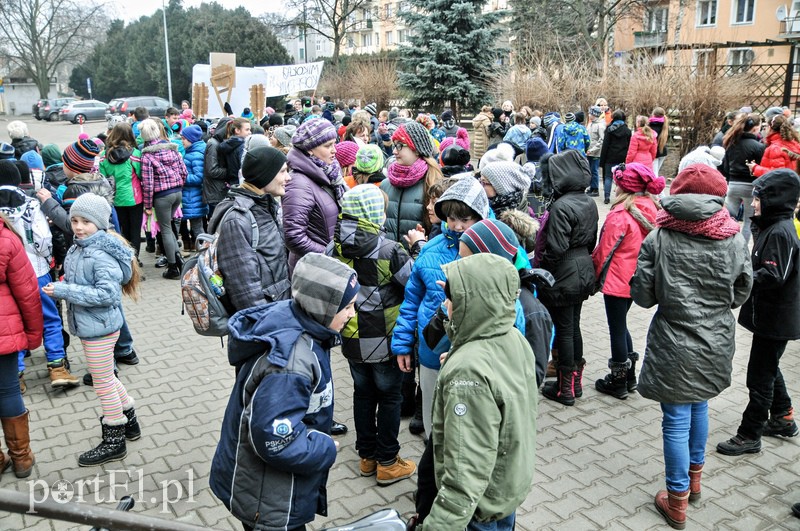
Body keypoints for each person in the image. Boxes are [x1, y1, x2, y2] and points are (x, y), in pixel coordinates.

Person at [630, 165, 752, 530]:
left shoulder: (660, 237)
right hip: (714, 337)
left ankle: (677, 500)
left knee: (676, 419)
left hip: (673, 339)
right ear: (719, 195)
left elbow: (642, 295)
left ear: (676, 193)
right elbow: (742, 291)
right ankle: (693, 484)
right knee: (700, 404)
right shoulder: (732, 237)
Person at [210, 253, 358, 531]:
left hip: (267, 488)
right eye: (347, 306)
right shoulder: (291, 366)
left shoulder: (303, 325)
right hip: (268, 495)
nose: (352, 314)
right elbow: (274, 440)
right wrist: (324, 447)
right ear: (323, 308)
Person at [418, 253, 537, 531]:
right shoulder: (512, 337)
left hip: (476, 510)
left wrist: (437, 526)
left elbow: (465, 469)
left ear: (472, 302)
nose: (444, 303)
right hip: (503, 489)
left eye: (451, 296)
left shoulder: (468, 371)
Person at [42, 193, 143, 466]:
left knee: (102, 383)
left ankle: (114, 439)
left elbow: (106, 295)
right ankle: (130, 422)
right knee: (107, 378)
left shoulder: (99, 253)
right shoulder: (81, 246)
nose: (78, 226)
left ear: (99, 222)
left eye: (85, 221)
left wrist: (65, 290)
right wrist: (66, 280)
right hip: (94, 326)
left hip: (99, 328)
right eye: (74, 220)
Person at [327, 184, 417, 486]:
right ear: (373, 213)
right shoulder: (389, 249)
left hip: (351, 338)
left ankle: (366, 457)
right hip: (385, 339)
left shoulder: (333, 246)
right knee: (389, 397)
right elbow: (412, 282)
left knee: (362, 394)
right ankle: (388, 461)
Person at [392, 177, 489, 436]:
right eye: (451, 218)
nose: (457, 226)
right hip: (433, 349)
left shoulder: (491, 249)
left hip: (475, 356)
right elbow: (412, 299)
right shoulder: (431, 249)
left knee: (467, 427)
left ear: (480, 215)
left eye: (465, 219)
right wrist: (402, 343)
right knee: (434, 423)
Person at [717, 169, 800, 456]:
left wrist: (741, 275)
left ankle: (749, 434)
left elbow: (775, 275)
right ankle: (783, 416)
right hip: (771, 317)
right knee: (769, 365)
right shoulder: (773, 226)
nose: (753, 204)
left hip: (778, 318)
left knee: (759, 377)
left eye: (758, 198)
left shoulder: (781, 232)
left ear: (775, 199)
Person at [0, 160, 79, 390]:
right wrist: (45, 256)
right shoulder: (31, 204)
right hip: (36, 271)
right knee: (50, 317)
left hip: (6, 279)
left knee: (12, 323)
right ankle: (57, 367)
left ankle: (16, 375)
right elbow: (43, 239)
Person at [592, 163, 665, 399]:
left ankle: (618, 380)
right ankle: (630, 376)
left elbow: (605, 250)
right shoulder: (654, 209)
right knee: (621, 324)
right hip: (637, 279)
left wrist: (594, 276)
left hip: (617, 280)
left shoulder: (620, 214)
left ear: (623, 186)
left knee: (616, 329)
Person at [538, 149, 599, 406]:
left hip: (564, 271)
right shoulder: (589, 202)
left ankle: (565, 390)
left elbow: (555, 247)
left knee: (564, 328)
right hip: (584, 268)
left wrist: (543, 270)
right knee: (573, 326)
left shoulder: (561, 206)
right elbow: (592, 239)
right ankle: (575, 383)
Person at [207, 146, 292, 313]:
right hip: (265, 320)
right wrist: (267, 324)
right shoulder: (238, 219)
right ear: (265, 174)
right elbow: (244, 288)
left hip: (278, 309)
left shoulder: (264, 206)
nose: (288, 177)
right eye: (282, 172)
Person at [0, 212, 42, 479]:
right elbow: (27, 292)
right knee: (7, 391)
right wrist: (33, 334)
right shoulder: (6, 239)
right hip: (4, 332)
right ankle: (22, 459)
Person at [283, 118, 345, 275]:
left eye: (334, 144)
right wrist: (328, 254)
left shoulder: (329, 174)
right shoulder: (299, 183)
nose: (334, 150)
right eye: (327, 146)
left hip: (328, 267)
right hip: (312, 270)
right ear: (310, 149)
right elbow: (294, 237)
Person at [139, 119, 188, 279]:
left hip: (162, 196)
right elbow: (184, 172)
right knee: (170, 227)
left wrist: (147, 205)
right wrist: (178, 184)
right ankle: (178, 260)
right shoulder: (172, 149)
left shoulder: (147, 155)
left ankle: (173, 267)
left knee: (166, 229)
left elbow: (148, 183)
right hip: (177, 193)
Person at [380, 122, 444, 244]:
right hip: (386, 258)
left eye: (399, 146)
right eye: (394, 145)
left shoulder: (433, 183)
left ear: (416, 149)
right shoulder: (385, 184)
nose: (394, 151)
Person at [98, 123, 143, 258]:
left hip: (115, 199)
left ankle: (125, 257)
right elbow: (141, 175)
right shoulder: (135, 154)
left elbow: (102, 177)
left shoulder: (104, 155)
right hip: (134, 198)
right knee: (135, 231)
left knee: (122, 231)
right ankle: (135, 260)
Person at [720, 112, 765, 243]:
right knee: (748, 221)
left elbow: (726, 167)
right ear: (756, 129)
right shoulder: (758, 147)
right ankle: (743, 247)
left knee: (729, 217)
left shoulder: (731, 143)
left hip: (733, 185)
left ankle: (726, 242)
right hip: (750, 186)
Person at [179, 125, 208, 248]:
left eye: (184, 139)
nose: (182, 141)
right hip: (192, 196)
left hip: (193, 196)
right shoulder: (193, 151)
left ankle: (204, 254)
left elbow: (198, 177)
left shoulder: (195, 154)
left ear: (191, 139)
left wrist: (181, 177)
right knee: (197, 228)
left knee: (197, 229)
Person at [599, 110, 632, 205]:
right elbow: (629, 146)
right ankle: (620, 198)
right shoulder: (627, 131)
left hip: (610, 157)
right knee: (621, 178)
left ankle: (607, 197)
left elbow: (605, 146)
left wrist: (602, 160)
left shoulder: (609, 129)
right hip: (622, 157)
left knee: (608, 177)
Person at [202, 117, 233, 214]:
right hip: (215, 193)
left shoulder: (222, 143)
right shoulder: (214, 144)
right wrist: (231, 171)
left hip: (221, 191)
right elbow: (212, 170)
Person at [586, 106, 606, 196]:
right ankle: (591, 187)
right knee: (589, 170)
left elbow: (601, 140)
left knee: (594, 170)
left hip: (595, 153)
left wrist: (593, 150)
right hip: (589, 151)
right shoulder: (590, 124)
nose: (589, 115)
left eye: (590, 113)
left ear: (595, 114)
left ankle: (595, 189)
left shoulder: (600, 125)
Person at [649, 107, 670, 175]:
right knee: (656, 172)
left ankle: (655, 185)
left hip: (654, 152)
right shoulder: (665, 125)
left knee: (654, 173)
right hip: (663, 152)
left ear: (653, 114)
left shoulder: (650, 125)